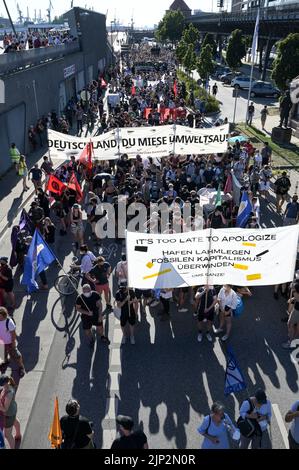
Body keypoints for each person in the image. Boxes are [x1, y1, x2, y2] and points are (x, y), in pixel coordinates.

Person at [0, 307, 25, 377]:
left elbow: (13, 334)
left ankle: (21, 368)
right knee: (2, 355)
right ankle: (5, 362)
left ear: (2, 315)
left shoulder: (9, 322)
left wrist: (13, 344)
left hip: (9, 343)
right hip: (1, 343)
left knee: (17, 356)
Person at [0, 375, 21, 449]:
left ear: (5, 383)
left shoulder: (8, 394)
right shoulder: (10, 385)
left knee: (7, 435)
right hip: (13, 410)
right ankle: (18, 435)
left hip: (8, 415)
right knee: (15, 420)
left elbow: (5, 409)